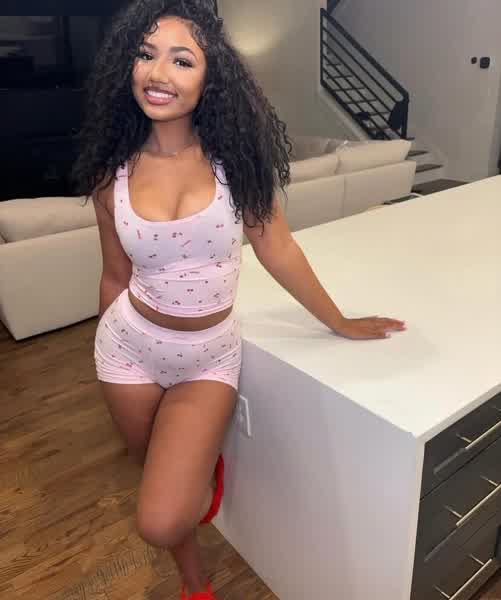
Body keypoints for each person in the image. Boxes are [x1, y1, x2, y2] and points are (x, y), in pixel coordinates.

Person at [71, 1, 406, 598]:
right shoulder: (111, 175)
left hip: (207, 356)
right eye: (146, 55)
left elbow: (279, 250)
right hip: (126, 351)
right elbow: (114, 276)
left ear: (211, 77)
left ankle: (202, 478)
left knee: (160, 517)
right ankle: (194, 581)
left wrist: (339, 321)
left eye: (182, 60)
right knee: (150, 471)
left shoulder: (237, 165)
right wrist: (105, 346)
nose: (158, 73)